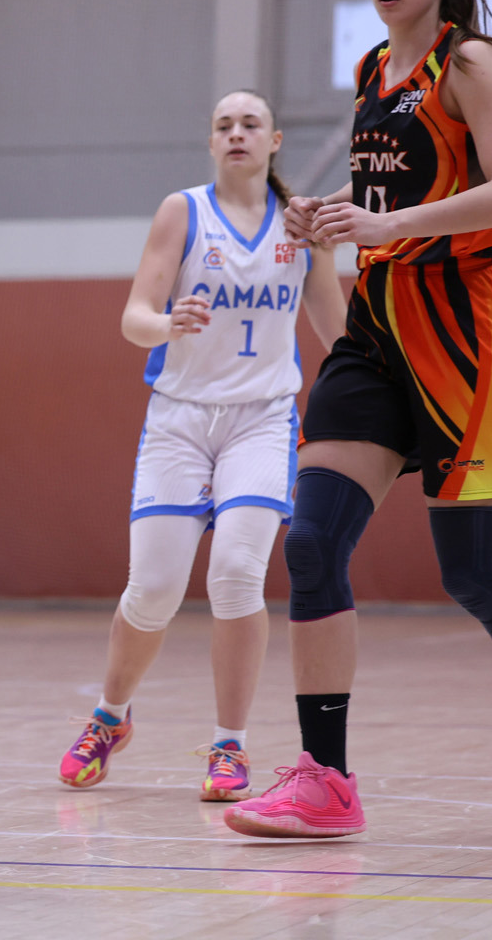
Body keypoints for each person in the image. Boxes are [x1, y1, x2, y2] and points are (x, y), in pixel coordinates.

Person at [225, 0, 492, 842]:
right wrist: (330, 214)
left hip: (465, 329)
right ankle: (326, 779)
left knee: (474, 572)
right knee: (312, 544)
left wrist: (387, 225)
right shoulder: (374, 70)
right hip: (376, 324)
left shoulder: (469, 62)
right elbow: (392, 193)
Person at [57, 90, 345, 801]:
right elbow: (134, 316)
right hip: (179, 419)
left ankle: (229, 745)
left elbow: (337, 330)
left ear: (274, 140)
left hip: (262, 420)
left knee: (237, 576)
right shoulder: (182, 212)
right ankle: (110, 716)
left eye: (250, 123)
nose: (237, 133)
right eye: (224, 125)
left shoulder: (300, 224)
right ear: (211, 142)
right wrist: (167, 322)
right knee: (153, 589)